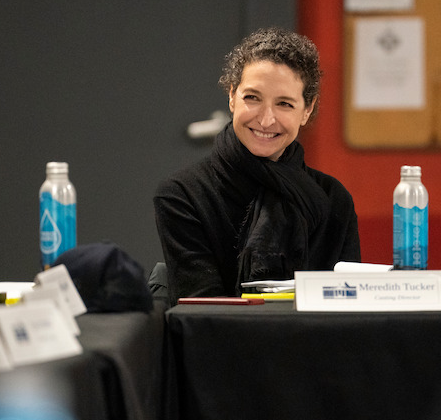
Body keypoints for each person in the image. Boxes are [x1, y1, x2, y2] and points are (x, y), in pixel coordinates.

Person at [153, 27, 361, 302]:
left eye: (284, 104)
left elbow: (348, 311)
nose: (265, 120)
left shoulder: (334, 199)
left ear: (307, 110)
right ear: (231, 96)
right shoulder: (182, 195)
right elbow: (202, 316)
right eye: (252, 98)